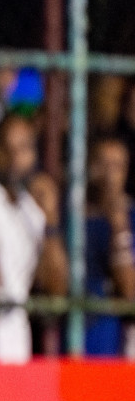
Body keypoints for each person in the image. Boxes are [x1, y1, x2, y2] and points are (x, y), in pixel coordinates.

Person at [0, 114, 69, 362]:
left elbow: (55, 291)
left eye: (23, 148)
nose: (14, 158)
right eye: (6, 148)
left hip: (15, 343)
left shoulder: (31, 208)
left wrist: (51, 221)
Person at [85, 134, 135, 356]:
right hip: (72, 340)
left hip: (113, 341)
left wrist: (119, 228)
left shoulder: (130, 219)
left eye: (117, 166)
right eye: (102, 164)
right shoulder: (70, 218)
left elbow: (129, 292)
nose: (109, 175)